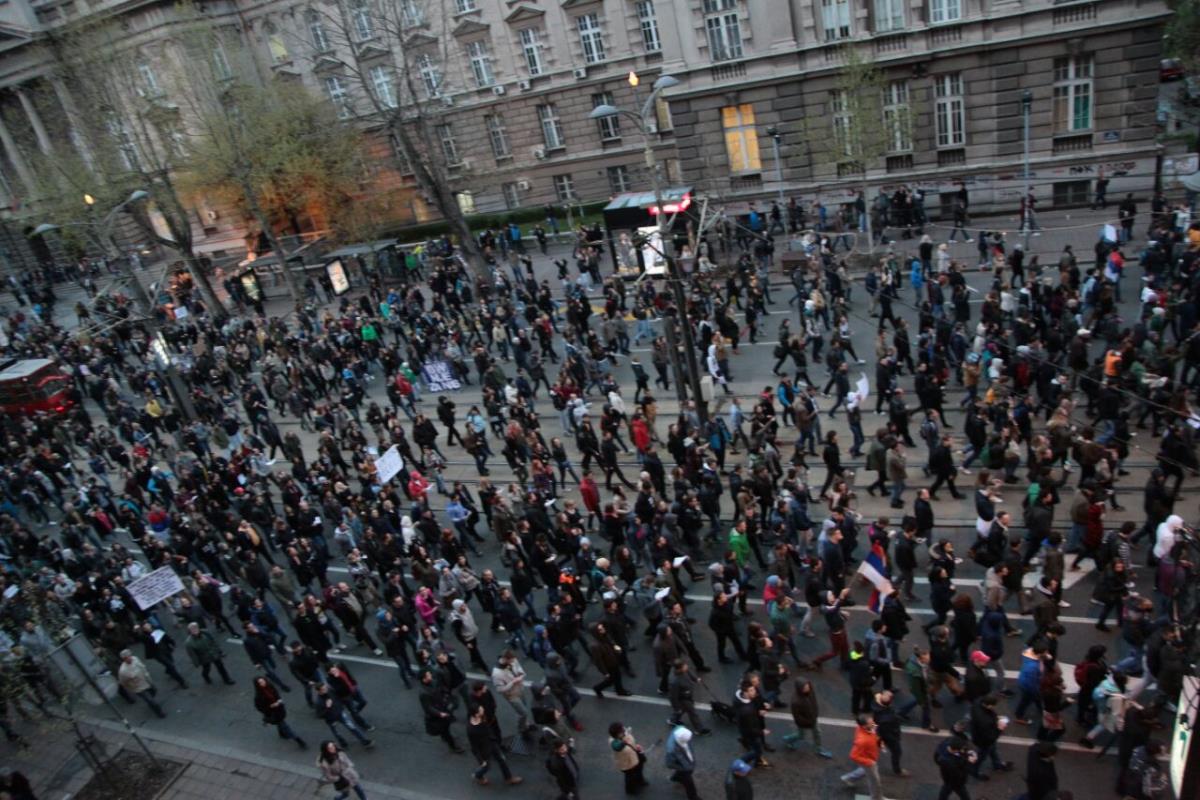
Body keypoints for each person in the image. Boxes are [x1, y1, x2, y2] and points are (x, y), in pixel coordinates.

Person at [466, 703, 523, 786]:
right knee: (486, 766)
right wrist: (481, 760)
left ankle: (509, 778)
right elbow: (474, 746)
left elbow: (487, 727)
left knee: (502, 759)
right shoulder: (471, 730)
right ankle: (478, 775)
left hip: (491, 742)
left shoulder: (482, 716)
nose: (483, 710)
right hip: (484, 749)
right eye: (481, 710)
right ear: (476, 714)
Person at [782, 678, 832, 758]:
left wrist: (815, 713)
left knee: (817, 733)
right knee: (801, 736)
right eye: (805, 687)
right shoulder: (796, 701)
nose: (808, 688)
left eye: (807, 686)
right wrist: (808, 722)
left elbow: (814, 701)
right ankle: (788, 739)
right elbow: (797, 717)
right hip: (806, 722)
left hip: (812, 718)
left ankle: (818, 749)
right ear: (800, 688)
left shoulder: (810, 691)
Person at [254, 675, 307, 749]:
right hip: (273, 713)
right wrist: (271, 706)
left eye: (263, 681)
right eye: (260, 683)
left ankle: (281, 733)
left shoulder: (270, 686)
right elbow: (260, 708)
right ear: (258, 685)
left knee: (280, 723)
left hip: (279, 709)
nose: (263, 683)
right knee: (285, 726)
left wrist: (279, 701)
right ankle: (298, 740)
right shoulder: (258, 696)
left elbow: (276, 694)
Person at [840, 714, 884, 800]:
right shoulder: (862, 740)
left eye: (872, 721)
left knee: (864, 770)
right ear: (864, 726)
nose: (874, 724)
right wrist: (870, 762)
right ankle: (877, 798)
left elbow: (874, 733)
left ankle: (847, 778)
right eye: (871, 723)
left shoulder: (868, 728)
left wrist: (879, 742)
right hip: (869, 761)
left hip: (871, 756)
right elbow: (853, 755)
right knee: (875, 782)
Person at [117, 649, 166, 718]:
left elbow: (143, 668)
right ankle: (160, 713)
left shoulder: (135, 659)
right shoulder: (123, 671)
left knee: (154, 692)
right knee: (151, 700)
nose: (130, 658)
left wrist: (148, 678)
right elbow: (123, 682)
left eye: (130, 655)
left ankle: (151, 704)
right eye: (127, 657)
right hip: (139, 688)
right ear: (124, 659)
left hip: (147, 681)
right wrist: (132, 689)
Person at [609, 722, 649, 795]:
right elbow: (617, 747)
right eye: (621, 731)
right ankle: (630, 790)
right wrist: (623, 743)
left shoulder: (624, 733)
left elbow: (631, 742)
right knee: (630, 777)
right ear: (616, 735)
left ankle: (640, 780)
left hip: (635, 756)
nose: (624, 731)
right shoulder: (614, 742)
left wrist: (636, 746)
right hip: (627, 763)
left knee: (639, 770)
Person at [665, 726, 700, 800]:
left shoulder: (680, 730)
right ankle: (693, 797)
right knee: (689, 782)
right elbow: (669, 764)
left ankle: (676, 777)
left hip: (686, 762)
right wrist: (684, 768)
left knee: (687, 772)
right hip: (683, 766)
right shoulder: (671, 750)